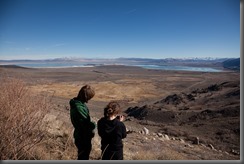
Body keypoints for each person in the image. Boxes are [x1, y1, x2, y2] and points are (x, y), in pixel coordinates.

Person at [69, 85, 96, 160]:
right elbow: (86, 124)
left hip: (80, 135)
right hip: (83, 136)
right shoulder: (79, 108)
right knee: (83, 157)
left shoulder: (76, 103)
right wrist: (94, 125)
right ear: (86, 97)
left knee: (82, 155)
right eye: (90, 97)